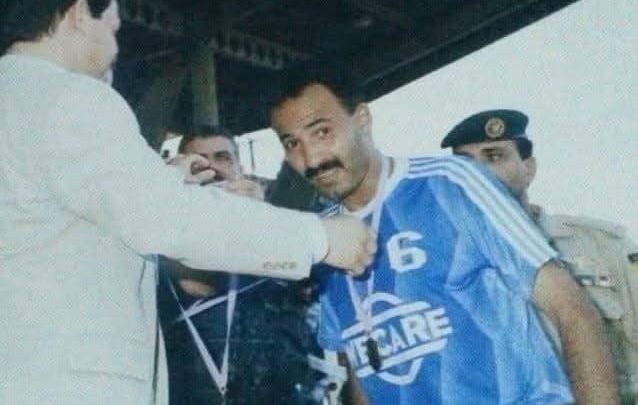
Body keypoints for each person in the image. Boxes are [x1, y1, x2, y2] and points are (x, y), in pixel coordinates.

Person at [0, 1, 376, 403]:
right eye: (112, 29)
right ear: (79, 13)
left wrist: (160, 178)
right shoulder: (68, 98)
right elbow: (167, 219)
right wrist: (320, 238)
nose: (115, 50)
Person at [268, 64, 619, 404]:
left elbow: (572, 310)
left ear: (362, 120)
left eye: (322, 132)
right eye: (292, 144)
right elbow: (362, 370)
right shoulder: (321, 241)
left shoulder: (450, 184)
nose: (311, 159)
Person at [441, 109, 638, 404]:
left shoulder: (601, 246)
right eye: (465, 166)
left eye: (494, 157)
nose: (479, 174)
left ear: (529, 168)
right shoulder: (448, 274)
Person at [158, 130, 326, 404]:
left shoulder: (275, 240)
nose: (212, 168)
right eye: (199, 160)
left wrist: (262, 218)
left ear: (241, 170)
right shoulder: (156, 258)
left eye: (222, 158)